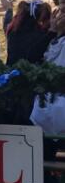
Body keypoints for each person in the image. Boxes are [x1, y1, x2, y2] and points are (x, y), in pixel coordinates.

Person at [30, 8, 65, 136]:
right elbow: (32, 56)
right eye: (61, 5)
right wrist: (54, 31)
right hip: (47, 109)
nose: (60, 12)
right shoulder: (52, 38)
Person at [6, 0, 54, 65]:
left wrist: (9, 9)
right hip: (35, 74)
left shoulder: (12, 33)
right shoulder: (45, 36)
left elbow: (6, 24)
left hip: (10, 73)